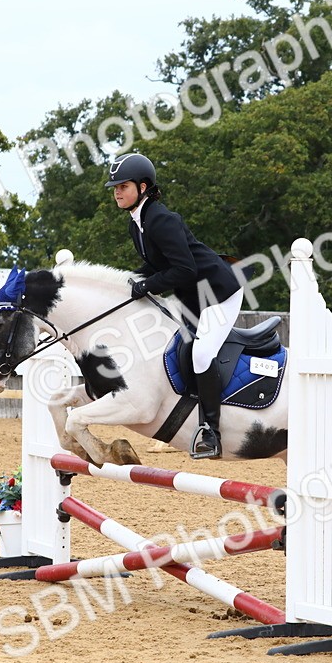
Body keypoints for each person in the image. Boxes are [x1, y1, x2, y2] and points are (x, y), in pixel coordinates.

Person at [105, 152, 243, 459]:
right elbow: (155, 266)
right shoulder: (136, 224)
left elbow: (184, 270)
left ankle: (211, 432)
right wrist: (125, 282)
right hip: (192, 297)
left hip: (218, 293)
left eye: (122, 186)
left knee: (203, 352)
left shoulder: (162, 220)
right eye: (114, 186)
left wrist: (146, 285)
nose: (116, 191)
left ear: (143, 187)